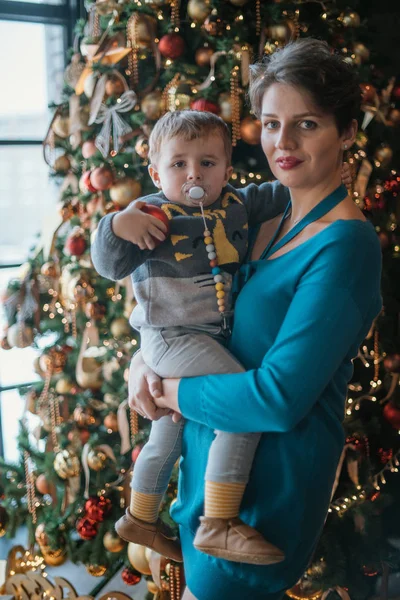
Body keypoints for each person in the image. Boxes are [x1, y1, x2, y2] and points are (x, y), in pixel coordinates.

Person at [127, 38, 382, 600]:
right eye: (270, 123)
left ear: (347, 132)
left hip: (263, 501)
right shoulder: (262, 216)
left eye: (307, 124)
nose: (281, 143)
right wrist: (143, 359)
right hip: (208, 469)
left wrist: (169, 391)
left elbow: (278, 398)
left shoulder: (346, 247)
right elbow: (189, 309)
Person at [92, 109, 295, 565]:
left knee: (169, 427)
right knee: (241, 406)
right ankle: (218, 522)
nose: (193, 174)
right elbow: (108, 263)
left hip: (202, 338)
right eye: (178, 164)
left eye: (207, 162)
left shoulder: (236, 204)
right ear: (155, 171)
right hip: (171, 337)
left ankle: (139, 516)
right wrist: (116, 225)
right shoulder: (151, 213)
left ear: (226, 168)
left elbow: (284, 191)